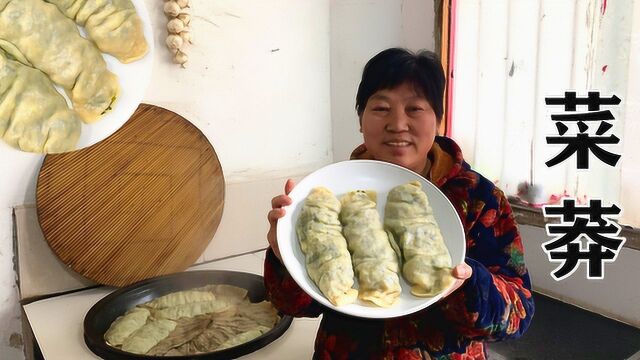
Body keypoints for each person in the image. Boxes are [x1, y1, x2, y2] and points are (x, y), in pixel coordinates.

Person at [264, 48, 534, 360]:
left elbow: (518, 317)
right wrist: (284, 256)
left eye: (415, 109)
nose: (397, 123)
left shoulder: (479, 200)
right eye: (381, 108)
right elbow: (293, 305)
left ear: (438, 118)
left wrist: (467, 284)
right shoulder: (331, 193)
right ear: (360, 118)